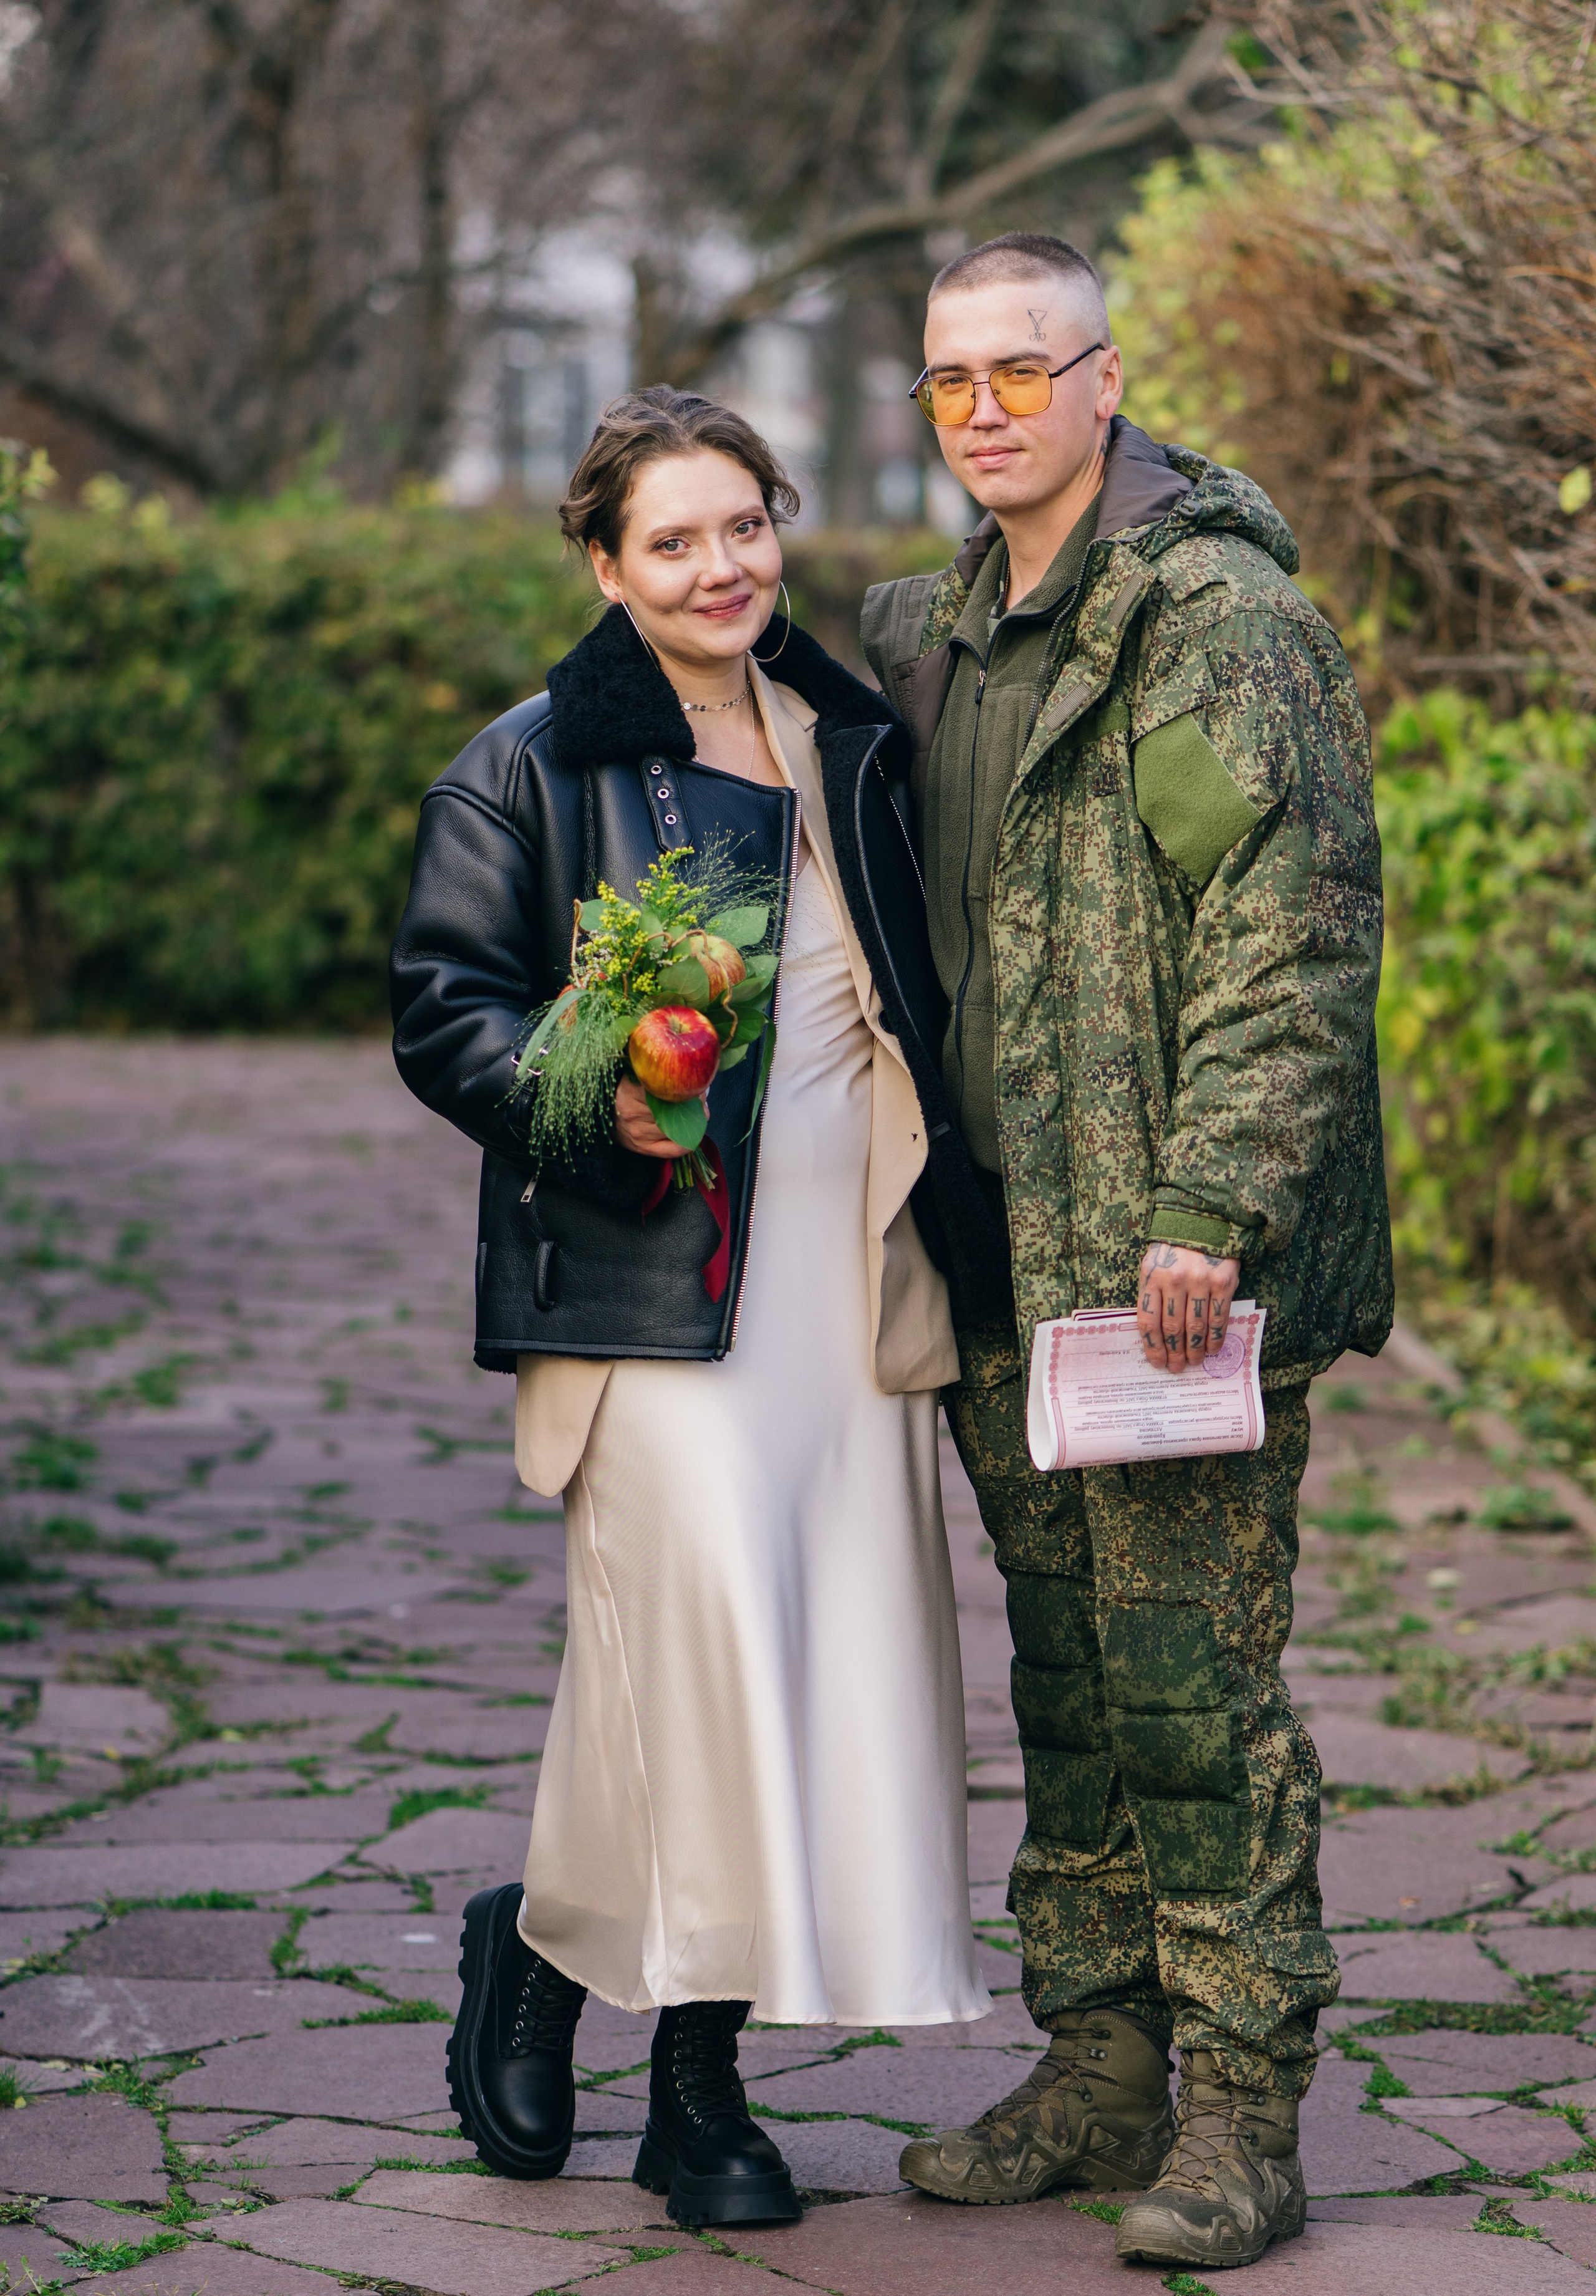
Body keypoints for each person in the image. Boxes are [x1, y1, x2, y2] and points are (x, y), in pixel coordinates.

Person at [388, 387, 991, 2232]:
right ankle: (696, 2091)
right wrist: (584, 1083)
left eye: (744, 525)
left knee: (795, 1658)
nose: (719, 566)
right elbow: (444, 1000)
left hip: (854, 1276)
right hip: (659, 1278)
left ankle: (538, 1946)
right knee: (703, 1660)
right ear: (604, 562)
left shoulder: (857, 732)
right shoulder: (534, 761)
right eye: (673, 540)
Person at [855, 233, 1393, 2271]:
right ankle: (1100, 2071)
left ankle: (1242, 2112)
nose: (983, 410)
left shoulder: (1218, 624)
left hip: (1168, 1281)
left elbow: (1296, 933)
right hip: (1005, 1255)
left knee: (1192, 1691)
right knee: (1069, 1689)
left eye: (1020, 369)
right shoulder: (944, 632)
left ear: (1105, 381)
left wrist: (1208, 1209)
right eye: (948, 382)